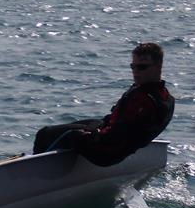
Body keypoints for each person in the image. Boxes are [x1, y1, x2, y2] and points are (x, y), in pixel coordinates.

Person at [33, 42, 174, 166]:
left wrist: (91, 135)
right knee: (91, 123)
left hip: (106, 153)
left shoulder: (142, 100)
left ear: (158, 67)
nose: (135, 72)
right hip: (120, 144)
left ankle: (34, 172)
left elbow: (114, 138)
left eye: (142, 67)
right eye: (133, 66)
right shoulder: (165, 97)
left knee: (47, 134)